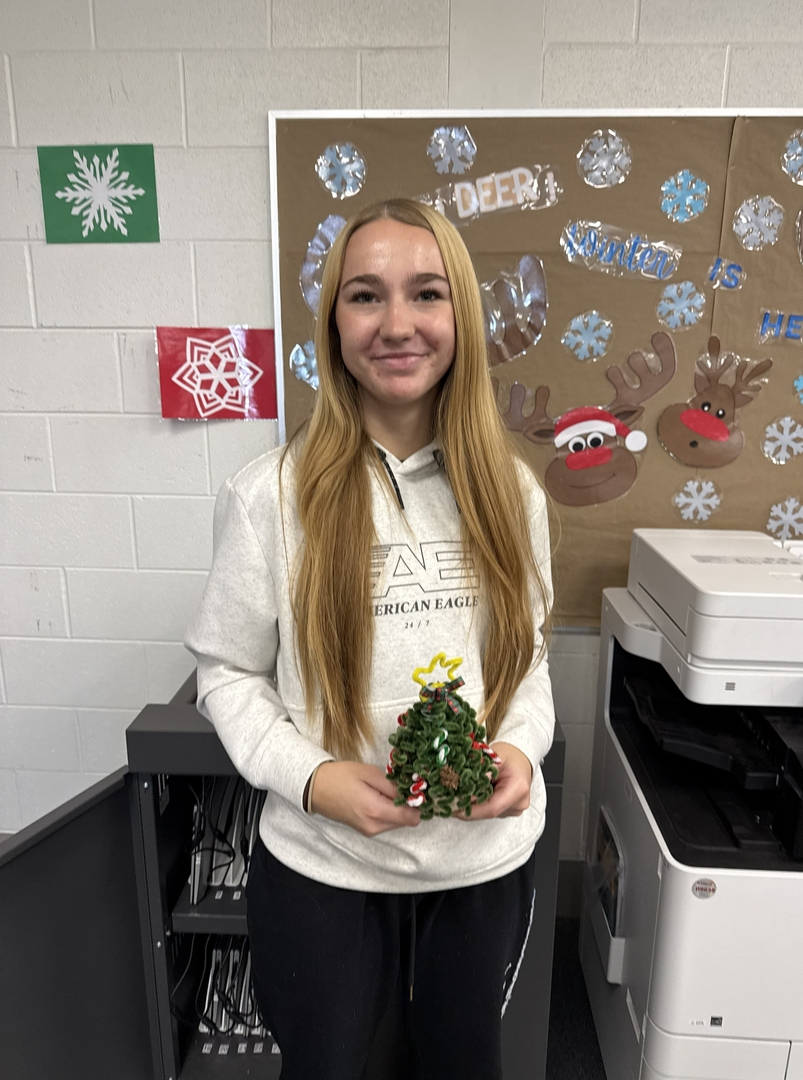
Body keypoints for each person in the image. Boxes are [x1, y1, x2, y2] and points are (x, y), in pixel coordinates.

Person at [184, 197, 555, 1079]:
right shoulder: (268, 497)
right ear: (334, 322)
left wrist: (522, 748)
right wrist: (312, 779)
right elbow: (228, 672)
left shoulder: (512, 493)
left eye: (426, 293)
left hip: (477, 873)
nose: (396, 324)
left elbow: (529, 658)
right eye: (364, 296)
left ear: (462, 316)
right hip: (326, 871)